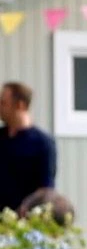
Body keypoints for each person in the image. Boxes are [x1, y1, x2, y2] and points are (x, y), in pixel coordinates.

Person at [0, 84, 52, 212]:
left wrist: (26, 208)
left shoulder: (42, 143)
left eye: (3, 103)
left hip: (23, 222)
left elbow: (45, 189)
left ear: (20, 105)